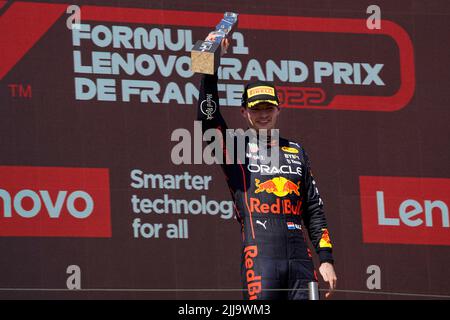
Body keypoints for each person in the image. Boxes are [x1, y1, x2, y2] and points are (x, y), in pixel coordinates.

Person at [196, 34, 337, 300]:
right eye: (256, 108)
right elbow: (208, 118)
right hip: (260, 259)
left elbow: (314, 210)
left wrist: (326, 258)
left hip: (301, 262)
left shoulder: (296, 151)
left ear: (278, 110)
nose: (263, 114)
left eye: (268, 107)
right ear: (244, 112)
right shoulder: (234, 149)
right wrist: (210, 68)